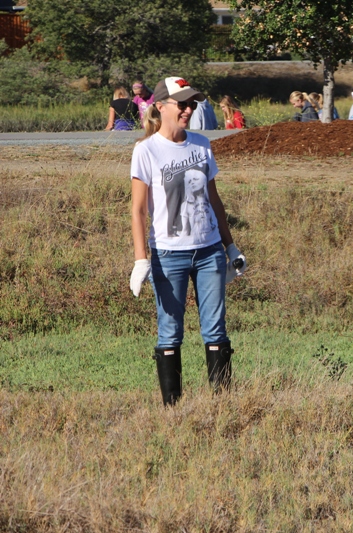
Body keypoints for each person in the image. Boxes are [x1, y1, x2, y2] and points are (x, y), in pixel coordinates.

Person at [129, 77, 248, 407]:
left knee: (216, 330)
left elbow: (214, 199)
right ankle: (173, 410)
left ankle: (222, 406)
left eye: (192, 104)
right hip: (168, 255)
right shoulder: (146, 150)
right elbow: (138, 210)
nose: (188, 109)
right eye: (181, 104)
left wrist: (230, 246)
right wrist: (142, 259)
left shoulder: (201, 144)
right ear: (161, 107)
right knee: (170, 332)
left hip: (209, 251)